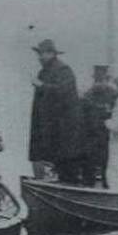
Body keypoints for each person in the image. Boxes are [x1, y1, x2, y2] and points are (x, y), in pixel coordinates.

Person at [28, 38, 85, 184]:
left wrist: (42, 86)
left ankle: (70, 189)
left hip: (64, 128)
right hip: (52, 127)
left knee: (67, 163)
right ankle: (62, 186)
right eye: (39, 54)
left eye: (43, 54)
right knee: (56, 161)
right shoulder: (44, 72)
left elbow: (64, 93)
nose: (40, 57)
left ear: (52, 54)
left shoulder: (63, 70)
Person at [81, 65, 117, 187]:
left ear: (107, 80)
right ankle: (88, 187)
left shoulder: (114, 95)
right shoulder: (88, 94)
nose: (99, 83)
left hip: (107, 134)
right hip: (90, 134)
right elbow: (83, 114)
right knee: (89, 162)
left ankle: (108, 187)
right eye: (97, 80)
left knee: (108, 163)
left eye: (102, 80)